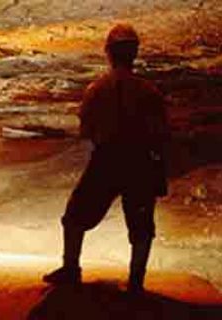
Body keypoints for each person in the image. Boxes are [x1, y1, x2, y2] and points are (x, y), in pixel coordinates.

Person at [43, 24, 169, 294]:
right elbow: (161, 135)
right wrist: (158, 171)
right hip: (140, 162)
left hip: (108, 159)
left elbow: (86, 129)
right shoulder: (149, 92)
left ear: (109, 54)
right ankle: (136, 282)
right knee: (141, 226)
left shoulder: (97, 89)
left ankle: (71, 269)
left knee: (75, 216)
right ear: (133, 53)